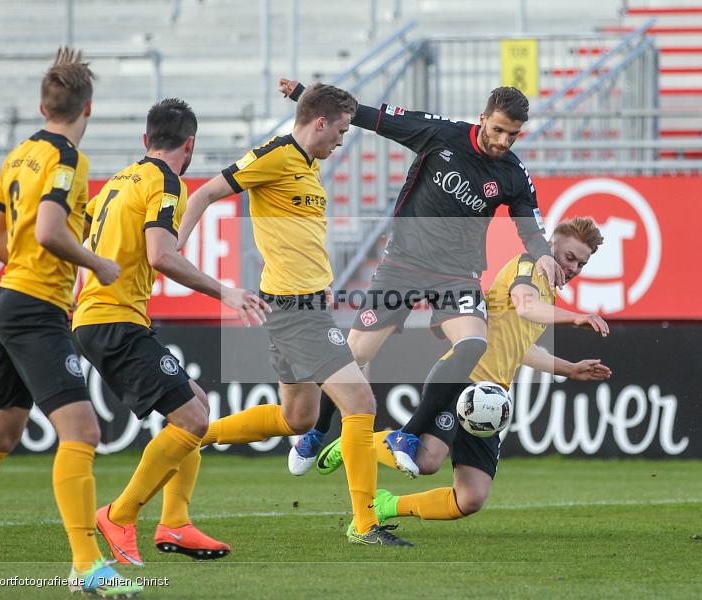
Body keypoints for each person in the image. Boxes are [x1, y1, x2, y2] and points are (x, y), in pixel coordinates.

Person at [278, 79, 564, 477]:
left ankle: (407, 434)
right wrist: (304, 95)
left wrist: (545, 256)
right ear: (483, 119)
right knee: (356, 354)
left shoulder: (514, 174)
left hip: (456, 275)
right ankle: (320, 429)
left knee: (473, 343)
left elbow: (530, 230)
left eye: (512, 135)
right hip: (403, 265)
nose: (502, 141)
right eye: (497, 130)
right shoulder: (440, 132)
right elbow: (370, 117)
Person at [0, 48, 142, 596]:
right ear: (88, 109)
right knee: (83, 431)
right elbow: (52, 230)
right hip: (33, 308)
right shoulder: (70, 161)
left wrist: (32, 269)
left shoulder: (20, 154)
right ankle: (86, 566)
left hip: (8, 300)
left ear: (41, 104)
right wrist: (97, 263)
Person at [177, 84, 411, 546]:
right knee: (360, 403)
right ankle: (365, 524)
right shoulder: (276, 155)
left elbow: (298, 233)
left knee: (299, 418)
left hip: (300, 305)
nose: (342, 140)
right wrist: (176, 242)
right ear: (320, 123)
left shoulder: (307, 165)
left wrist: (320, 278)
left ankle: (190, 434)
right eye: (341, 130)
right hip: (294, 311)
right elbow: (204, 193)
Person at [73, 98, 270, 566]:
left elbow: (81, 233)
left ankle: (176, 523)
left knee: (197, 406)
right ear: (190, 144)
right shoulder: (167, 182)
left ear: (145, 140)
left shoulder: (120, 180)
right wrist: (225, 292)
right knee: (194, 421)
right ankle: (120, 514)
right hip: (113, 319)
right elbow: (162, 253)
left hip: (103, 317)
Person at [315, 218, 610, 524]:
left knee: (471, 498)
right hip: (465, 381)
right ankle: (353, 443)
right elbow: (525, 306)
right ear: (550, 247)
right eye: (569, 257)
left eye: (581, 263)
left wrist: (569, 369)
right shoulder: (531, 264)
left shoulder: (548, 291)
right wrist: (576, 317)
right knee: (427, 460)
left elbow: (521, 348)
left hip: (493, 397)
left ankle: (387, 505)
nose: (573, 268)